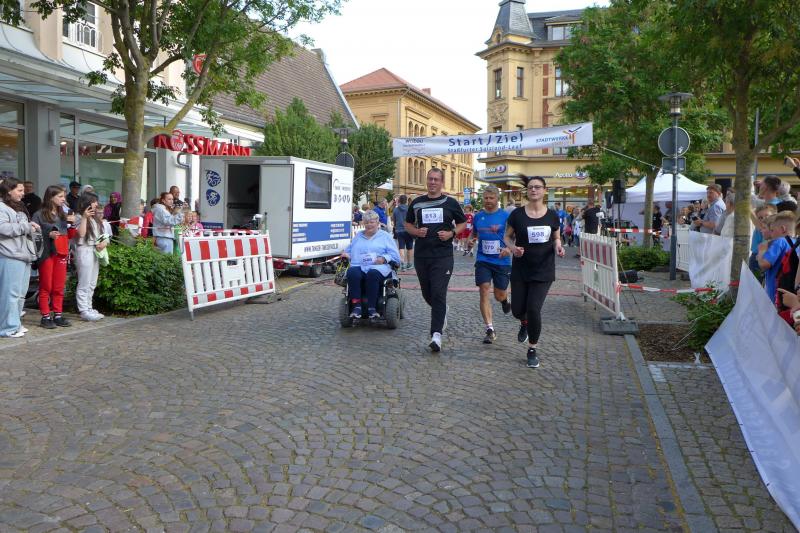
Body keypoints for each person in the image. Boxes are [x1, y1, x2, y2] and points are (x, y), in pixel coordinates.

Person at [504, 175, 565, 368]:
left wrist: (558, 246)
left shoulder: (552, 215)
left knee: (533, 308)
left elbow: (556, 237)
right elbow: (507, 237)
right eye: (530, 187)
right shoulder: (517, 214)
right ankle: (523, 322)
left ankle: (532, 349)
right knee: (517, 310)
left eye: (538, 187)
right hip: (521, 268)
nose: (533, 190)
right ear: (527, 191)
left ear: (544, 190)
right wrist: (513, 248)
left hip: (543, 269)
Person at [404, 167, 466, 352]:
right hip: (422, 255)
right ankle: (442, 310)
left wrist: (451, 233)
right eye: (430, 179)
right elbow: (407, 224)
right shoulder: (417, 203)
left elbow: (462, 223)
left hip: (443, 256)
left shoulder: (451, 203)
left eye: (436, 179)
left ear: (441, 182)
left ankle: (436, 335)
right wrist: (416, 232)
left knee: (438, 293)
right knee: (427, 294)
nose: (432, 182)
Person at [470, 185, 512, 344]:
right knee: (484, 289)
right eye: (485, 198)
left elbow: (515, 237)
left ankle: (505, 300)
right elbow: (474, 233)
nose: (488, 201)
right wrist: (471, 240)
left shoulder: (506, 216)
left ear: (497, 199)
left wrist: (509, 249)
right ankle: (490, 329)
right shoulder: (478, 216)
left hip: (502, 260)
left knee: (499, 294)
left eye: (491, 198)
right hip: (483, 260)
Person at [341, 210, 401, 318]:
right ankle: (357, 306)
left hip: (380, 267)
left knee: (372, 274)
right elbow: (349, 250)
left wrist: (384, 258)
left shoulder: (385, 236)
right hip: (359, 265)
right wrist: (346, 254)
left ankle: (372, 308)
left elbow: (395, 256)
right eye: (366, 222)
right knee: (352, 273)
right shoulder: (358, 236)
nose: (369, 225)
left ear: (377, 223)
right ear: (363, 223)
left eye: (372, 222)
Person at [0, 178, 39, 338]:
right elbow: (3, 228)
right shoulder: (1, 207)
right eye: (20, 190)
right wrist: (26, 227)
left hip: (23, 255)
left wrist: (31, 227)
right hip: (10, 255)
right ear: (9, 191)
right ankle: (7, 328)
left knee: (20, 294)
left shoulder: (17, 206)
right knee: (10, 294)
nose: (23, 194)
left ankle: (15, 324)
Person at [32, 185, 73, 329]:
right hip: (46, 253)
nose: (63, 199)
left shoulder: (63, 214)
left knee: (59, 286)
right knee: (46, 285)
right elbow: (34, 235)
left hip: (61, 251)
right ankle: (45, 316)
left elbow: (69, 234)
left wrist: (73, 224)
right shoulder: (39, 214)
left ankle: (58, 315)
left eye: (64, 196)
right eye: (60, 196)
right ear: (51, 197)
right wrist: (48, 234)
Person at [74, 191, 107, 321]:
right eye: (94, 202)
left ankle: (89, 306)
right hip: (84, 249)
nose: (96, 204)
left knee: (92, 282)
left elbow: (102, 234)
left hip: (95, 250)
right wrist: (84, 217)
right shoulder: (78, 217)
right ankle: (83, 310)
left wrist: (104, 242)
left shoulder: (95, 218)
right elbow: (81, 234)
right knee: (84, 282)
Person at [758, 211, 796, 304]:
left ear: (783, 229)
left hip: (775, 293)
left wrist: (761, 251)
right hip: (791, 294)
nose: (771, 234)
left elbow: (764, 264)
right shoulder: (796, 242)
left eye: (772, 230)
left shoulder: (780, 241)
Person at [391, 195, 413, 270]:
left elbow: (393, 219)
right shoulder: (409, 209)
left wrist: (396, 226)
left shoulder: (396, 209)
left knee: (401, 247)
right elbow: (413, 219)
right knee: (410, 248)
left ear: (399, 201)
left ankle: (402, 263)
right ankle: (409, 264)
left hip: (399, 230)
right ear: (406, 201)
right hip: (408, 230)